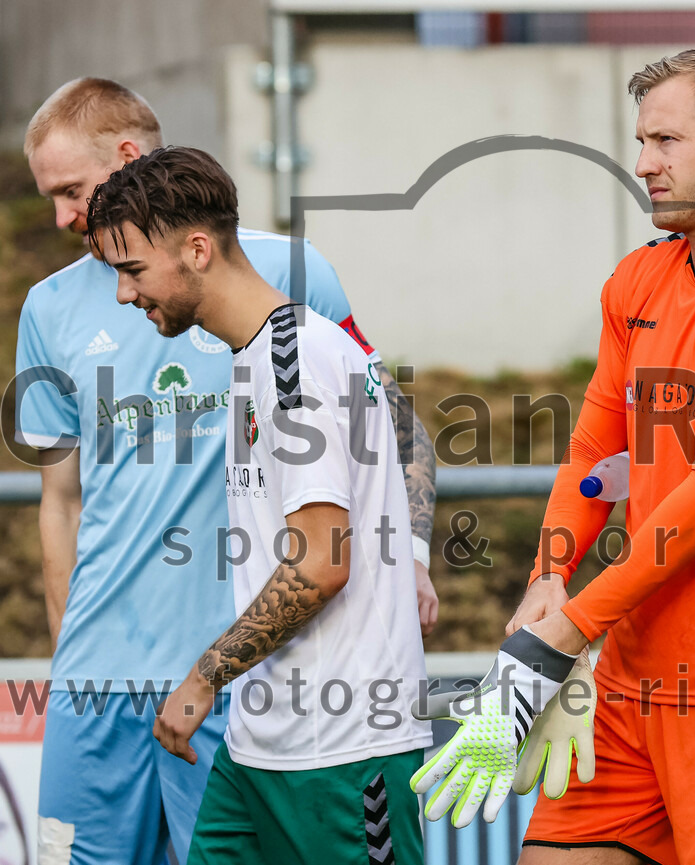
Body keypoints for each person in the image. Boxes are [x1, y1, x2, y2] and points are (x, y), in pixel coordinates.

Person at [418, 44, 695, 865]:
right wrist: (549, 575)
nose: (644, 164)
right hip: (628, 675)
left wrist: (567, 631)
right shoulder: (638, 279)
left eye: (666, 141)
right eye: (642, 142)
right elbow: (595, 452)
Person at [16, 78, 437, 865]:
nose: (66, 218)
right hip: (176, 700)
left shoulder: (291, 318)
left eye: (72, 191)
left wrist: (409, 552)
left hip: (278, 697)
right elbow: (59, 500)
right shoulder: (68, 311)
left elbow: (386, 439)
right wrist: (75, 660)